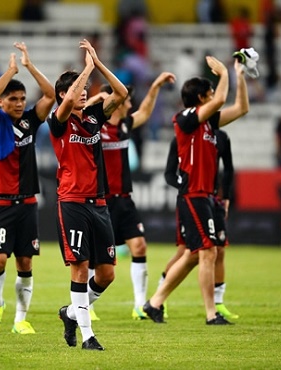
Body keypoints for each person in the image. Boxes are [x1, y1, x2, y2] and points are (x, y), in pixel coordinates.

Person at [142, 55, 249, 325]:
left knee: (194, 254)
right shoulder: (185, 118)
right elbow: (222, 100)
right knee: (208, 252)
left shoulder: (210, 124)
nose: (214, 95)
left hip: (206, 196)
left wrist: (239, 74)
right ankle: (211, 314)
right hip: (193, 194)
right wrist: (223, 74)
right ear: (201, 98)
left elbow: (241, 108)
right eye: (210, 92)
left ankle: (154, 303)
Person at [48, 39, 127, 350]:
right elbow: (66, 105)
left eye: (84, 89)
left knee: (106, 274)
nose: (82, 92)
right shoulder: (57, 121)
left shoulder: (94, 117)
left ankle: (70, 313)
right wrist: (86, 68)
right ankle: (88, 335)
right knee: (80, 267)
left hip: (99, 203)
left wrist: (98, 64)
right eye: (76, 90)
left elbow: (121, 94)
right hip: (72, 202)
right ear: (62, 96)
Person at [85, 71, 175, 321]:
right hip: (101, 199)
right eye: (126, 101)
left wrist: (155, 85)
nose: (130, 104)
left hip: (124, 199)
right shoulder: (94, 127)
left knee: (139, 245)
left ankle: (138, 305)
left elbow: (145, 112)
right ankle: (86, 306)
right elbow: (77, 111)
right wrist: (97, 99)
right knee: (93, 256)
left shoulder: (125, 125)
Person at [0, 42, 55, 334]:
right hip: (0, 201)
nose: (20, 103)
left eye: (23, 98)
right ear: (2, 101)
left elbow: (50, 95)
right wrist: (9, 70)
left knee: (25, 263)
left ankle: (20, 319)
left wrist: (28, 66)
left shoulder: (30, 122)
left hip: (26, 202)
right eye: (13, 98)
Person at [162, 129, 239, 320]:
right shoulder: (182, 136)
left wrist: (226, 196)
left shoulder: (220, 137)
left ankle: (219, 304)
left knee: (219, 250)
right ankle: (158, 298)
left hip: (212, 199)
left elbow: (228, 168)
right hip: (192, 199)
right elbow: (169, 173)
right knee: (186, 251)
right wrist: (186, 185)